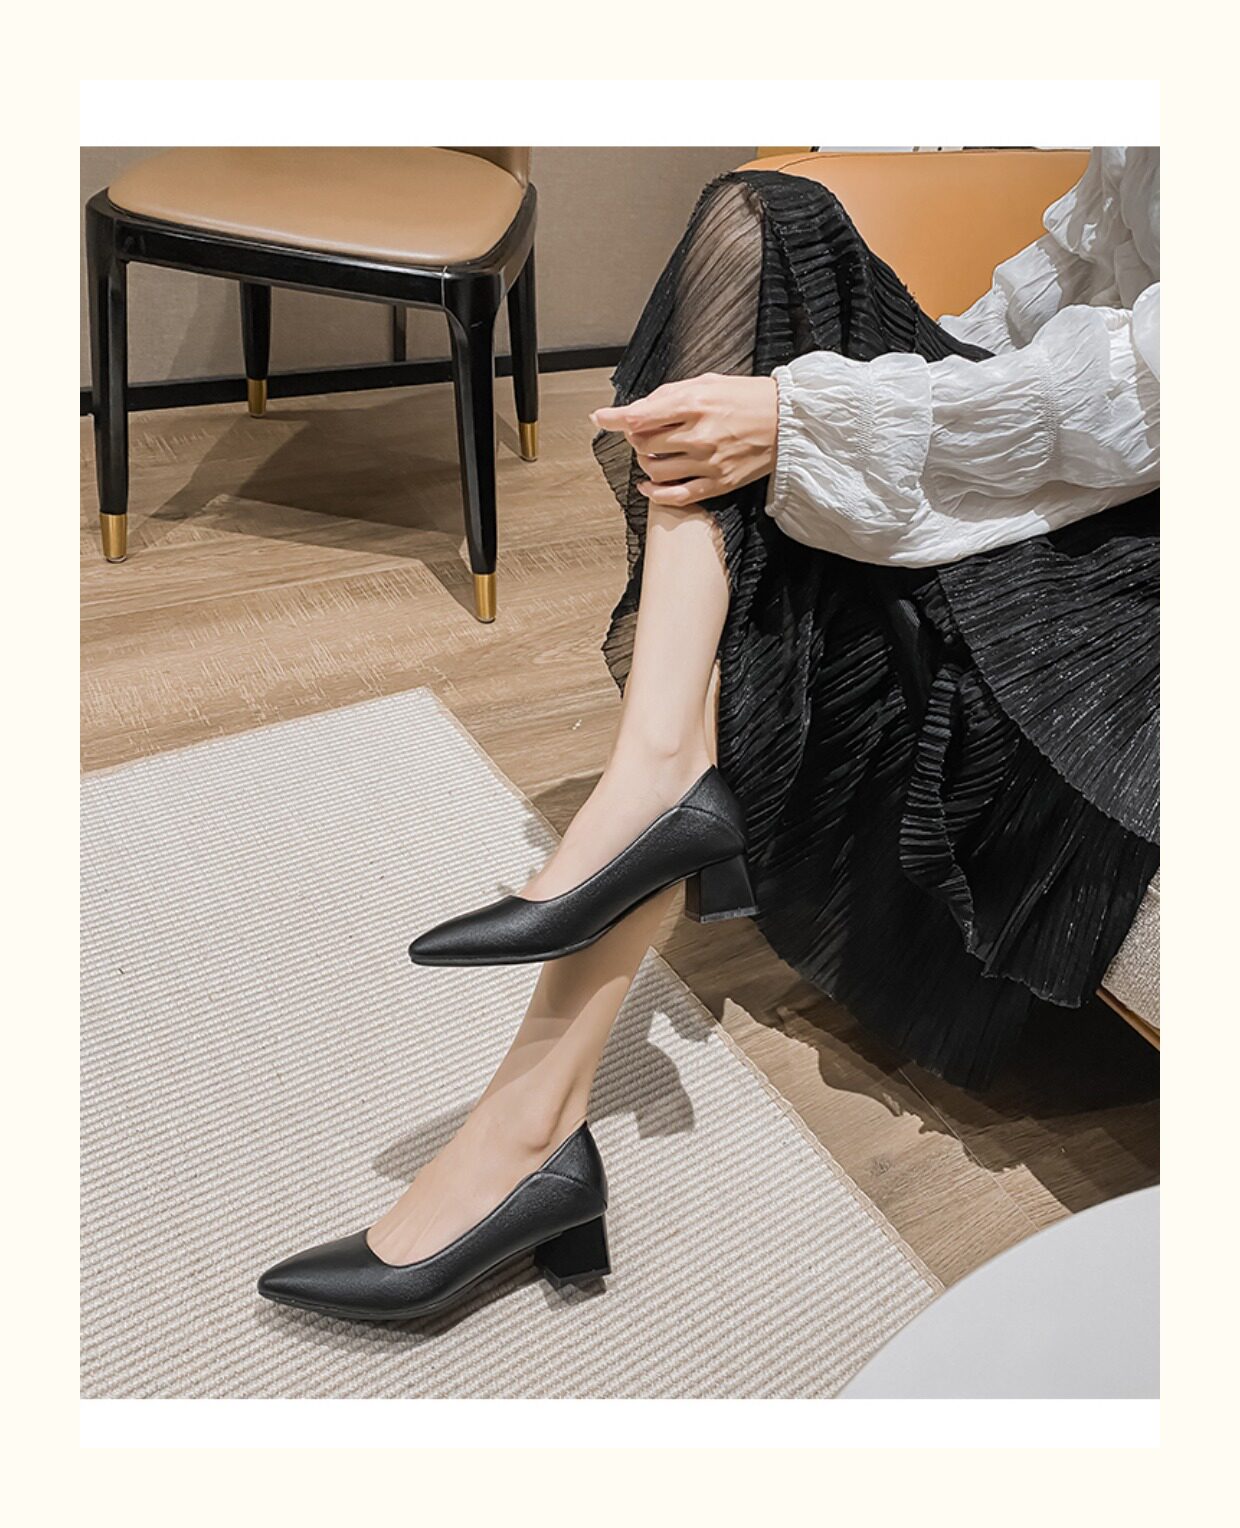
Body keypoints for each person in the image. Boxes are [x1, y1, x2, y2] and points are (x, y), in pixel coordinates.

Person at [258, 147, 1159, 1322]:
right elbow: (1048, 296)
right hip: (1085, 449)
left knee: (774, 318)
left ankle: (539, 1109)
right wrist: (849, 395)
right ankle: (653, 791)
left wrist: (813, 414)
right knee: (766, 230)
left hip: (1150, 544)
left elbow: (1154, 389)